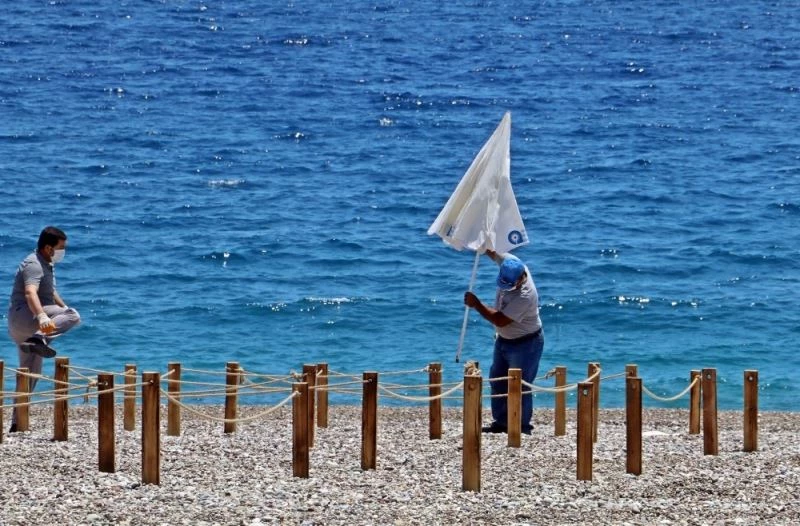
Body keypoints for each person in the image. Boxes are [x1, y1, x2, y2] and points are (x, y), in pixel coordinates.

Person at [7, 226, 81, 432]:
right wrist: (42, 317)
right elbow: (31, 293)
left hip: (21, 322)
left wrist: (63, 309)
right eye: (61, 248)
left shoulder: (46, 263)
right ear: (48, 248)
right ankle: (39, 339)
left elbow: (51, 292)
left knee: (31, 372)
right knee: (74, 316)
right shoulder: (34, 264)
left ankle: (17, 422)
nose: (63, 252)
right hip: (27, 316)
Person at [463, 249, 543, 434]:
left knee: (520, 385)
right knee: (497, 380)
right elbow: (496, 254)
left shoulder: (525, 295)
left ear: (521, 278)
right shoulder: (511, 263)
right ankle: (501, 421)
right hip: (504, 340)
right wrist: (483, 246)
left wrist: (476, 304)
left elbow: (500, 319)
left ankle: (520, 425)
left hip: (526, 343)